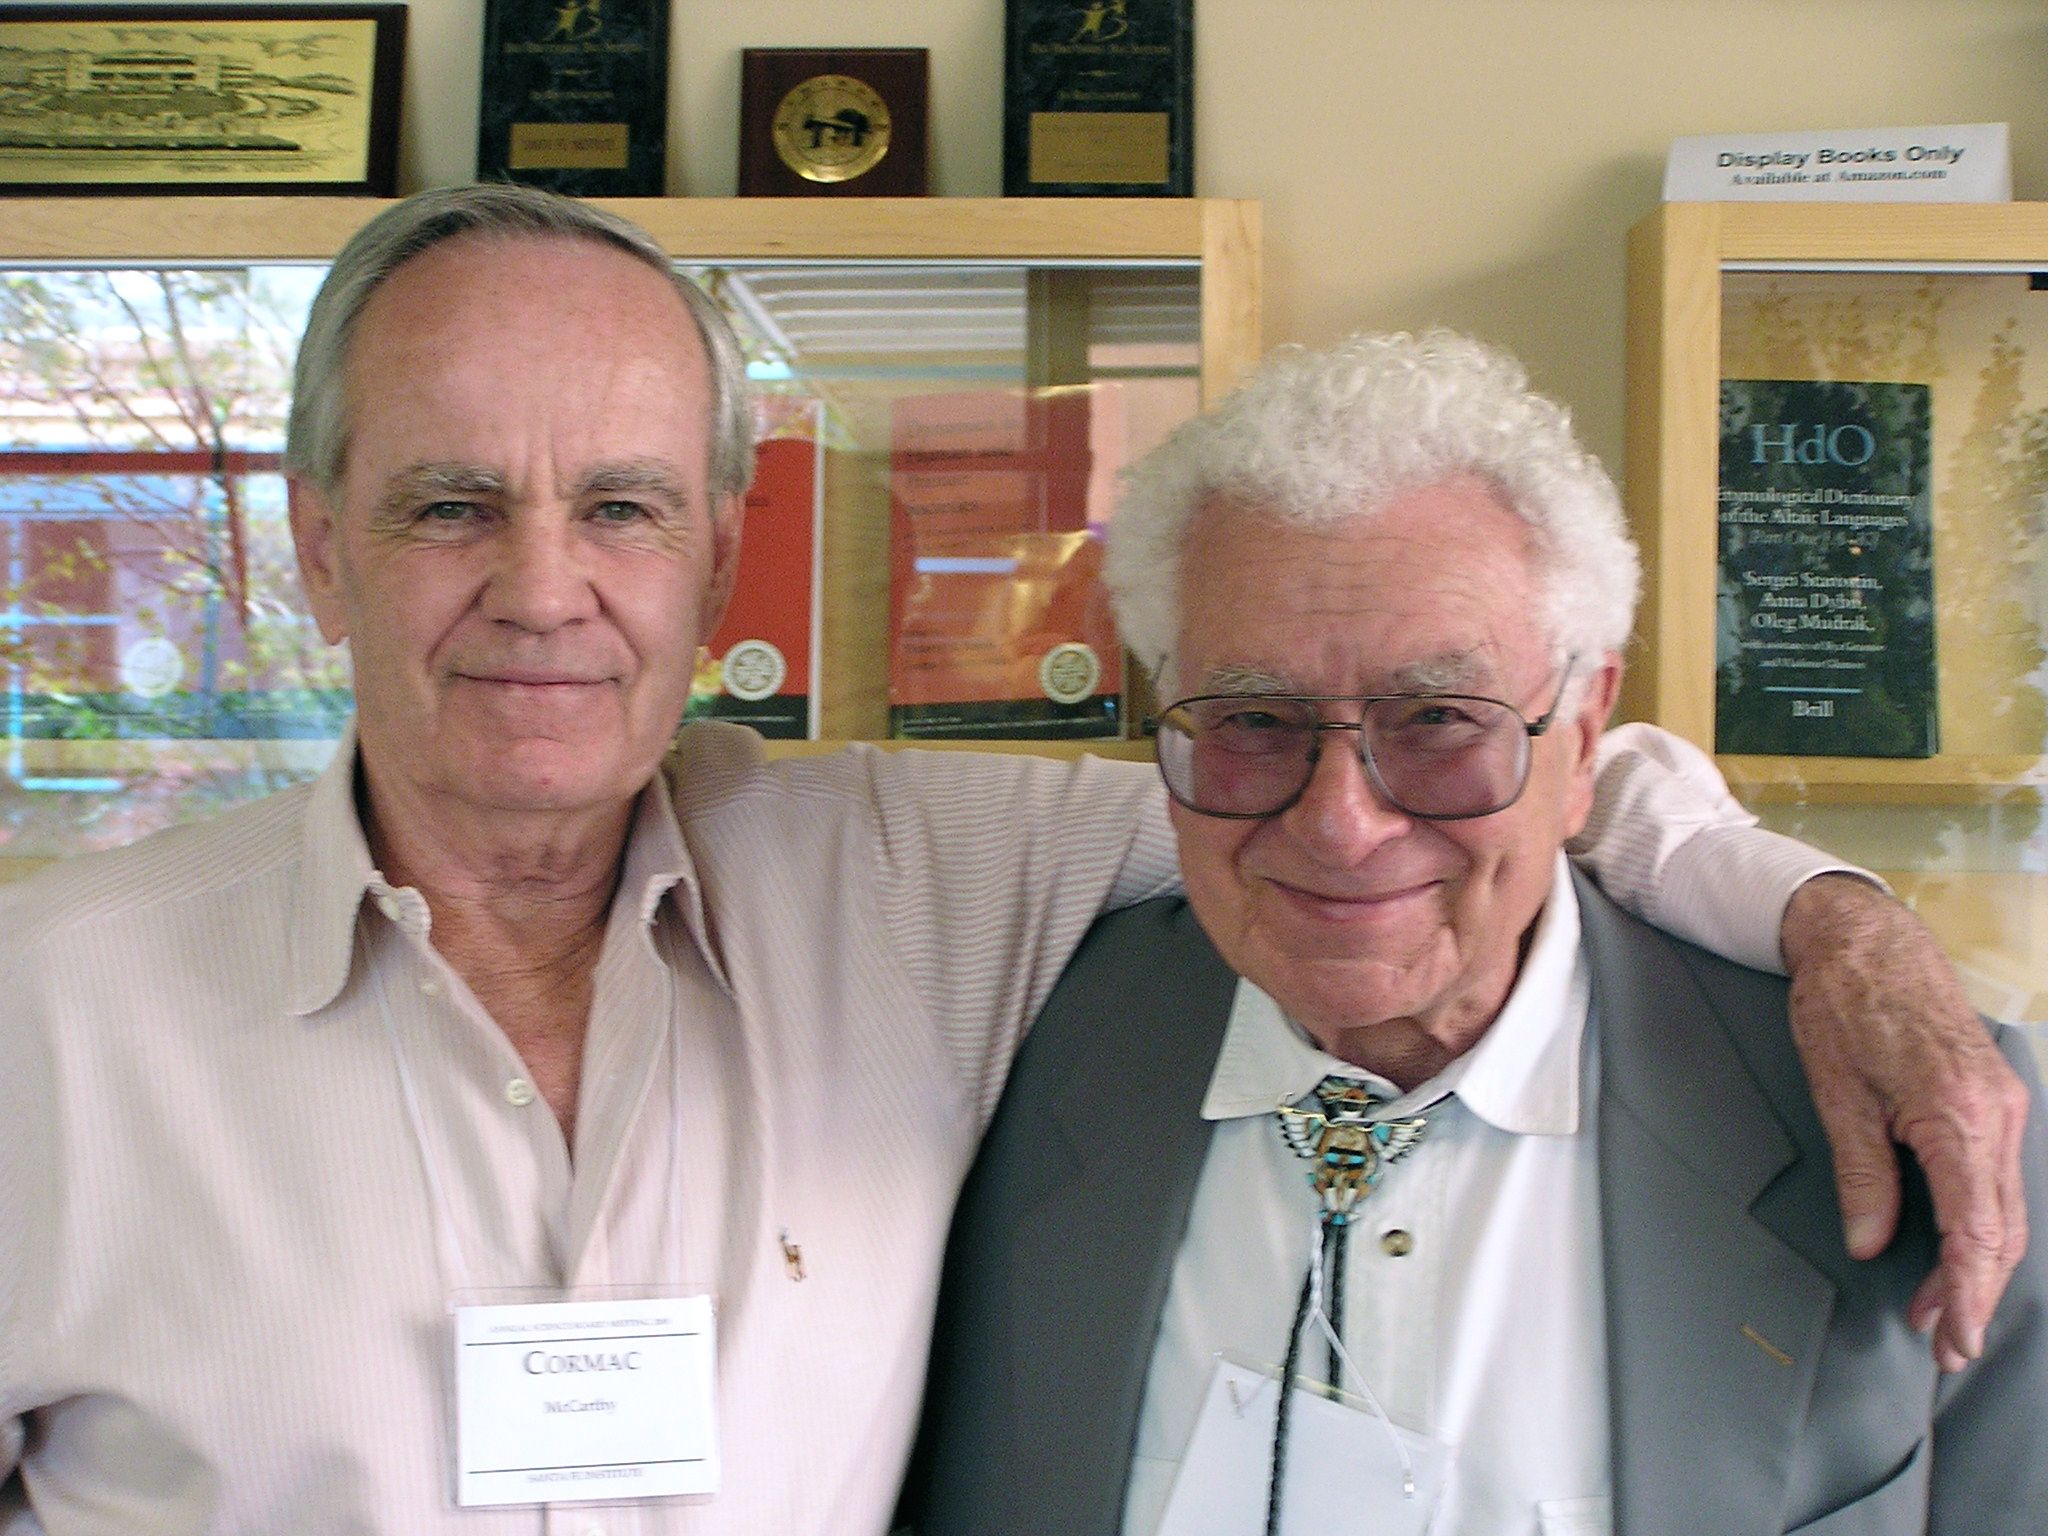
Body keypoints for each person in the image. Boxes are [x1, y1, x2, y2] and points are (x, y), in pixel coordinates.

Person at [0, 190, 2024, 1533]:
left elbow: (1423, 781)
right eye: (453, 502)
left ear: (717, 550)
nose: (546, 591)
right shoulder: (47, 1021)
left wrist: (1830, 918)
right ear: (314, 544)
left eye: (620, 504)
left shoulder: (892, 873)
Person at [904, 332, 2048, 1536]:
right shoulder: (993, 1070)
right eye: (1250, 715)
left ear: (1584, 726)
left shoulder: (1935, 1126)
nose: (1340, 824)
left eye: (1440, 719)